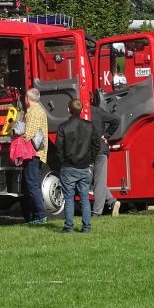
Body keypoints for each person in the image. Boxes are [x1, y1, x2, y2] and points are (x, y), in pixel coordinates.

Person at [54, 99, 98, 232]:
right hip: (84, 167)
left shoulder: (63, 127)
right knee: (84, 198)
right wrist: (90, 160)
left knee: (69, 198)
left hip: (68, 167)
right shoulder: (89, 126)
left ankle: (69, 227)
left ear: (69, 110)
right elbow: (96, 145)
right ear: (82, 110)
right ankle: (86, 227)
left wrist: (63, 161)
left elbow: (58, 148)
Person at [21, 87, 49, 225]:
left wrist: (17, 137)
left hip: (32, 153)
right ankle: (37, 215)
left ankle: (41, 215)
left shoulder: (33, 112)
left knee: (31, 184)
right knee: (35, 184)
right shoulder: (41, 110)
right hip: (39, 153)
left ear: (28, 98)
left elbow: (29, 133)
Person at [90, 101, 122, 218]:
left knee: (94, 180)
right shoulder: (97, 111)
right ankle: (112, 202)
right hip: (101, 149)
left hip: (88, 150)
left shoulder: (81, 113)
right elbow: (116, 120)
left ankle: (96, 212)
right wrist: (107, 135)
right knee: (99, 181)